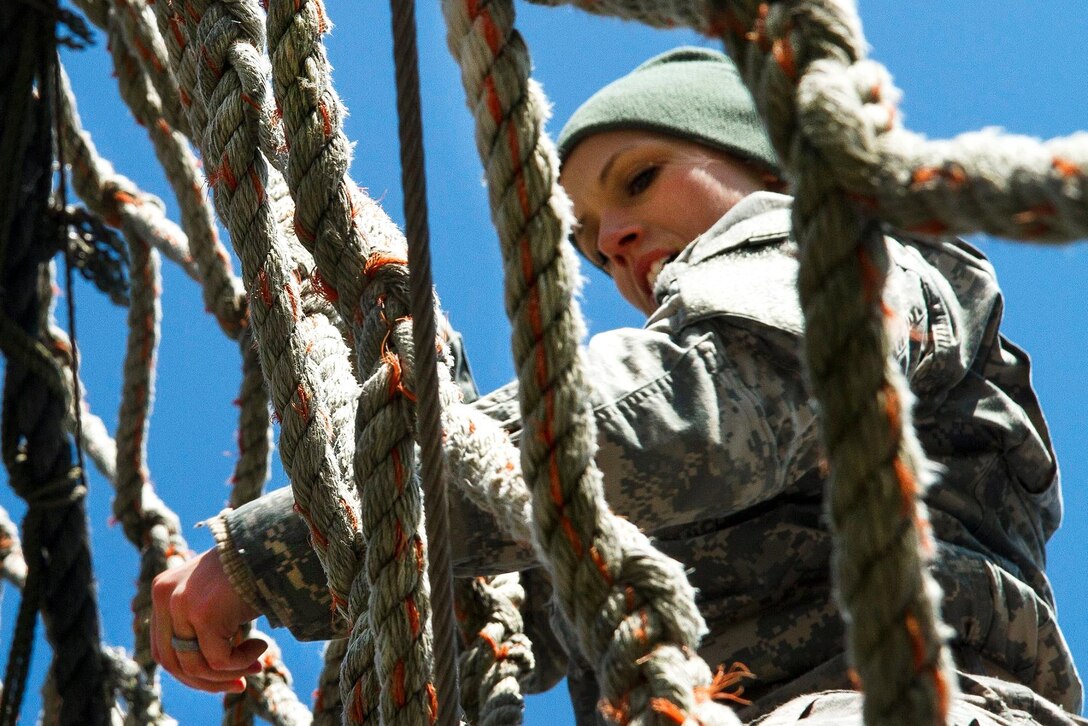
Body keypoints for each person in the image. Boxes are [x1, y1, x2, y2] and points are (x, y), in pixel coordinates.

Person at [151, 47, 1085, 724]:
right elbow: (554, 602)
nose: (615, 245)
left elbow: (691, 408)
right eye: (592, 244)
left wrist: (272, 554)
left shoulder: (833, 254)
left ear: (771, 168)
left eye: (638, 180)